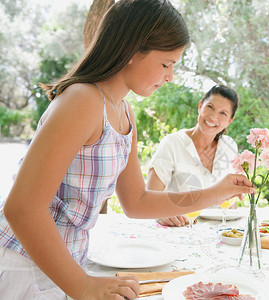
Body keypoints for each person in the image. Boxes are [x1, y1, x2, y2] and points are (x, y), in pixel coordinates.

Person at [0, 1, 254, 299]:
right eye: (166, 63)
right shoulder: (83, 100)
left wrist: (217, 192)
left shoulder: (123, 111)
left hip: (65, 266)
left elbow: (136, 202)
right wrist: (82, 285)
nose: (170, 76)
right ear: (133, 50)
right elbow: (22, 208)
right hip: (26, 267)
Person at [146, 85, 239, 226]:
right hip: (178, 229)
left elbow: (230, 200)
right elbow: (149, 198)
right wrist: (161, 214)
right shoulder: (172, 143)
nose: (214, 117)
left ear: (230, 121)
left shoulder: (229, 146)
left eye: (223, 113)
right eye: (210, 107)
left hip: (217, 233)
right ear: (200, 106)